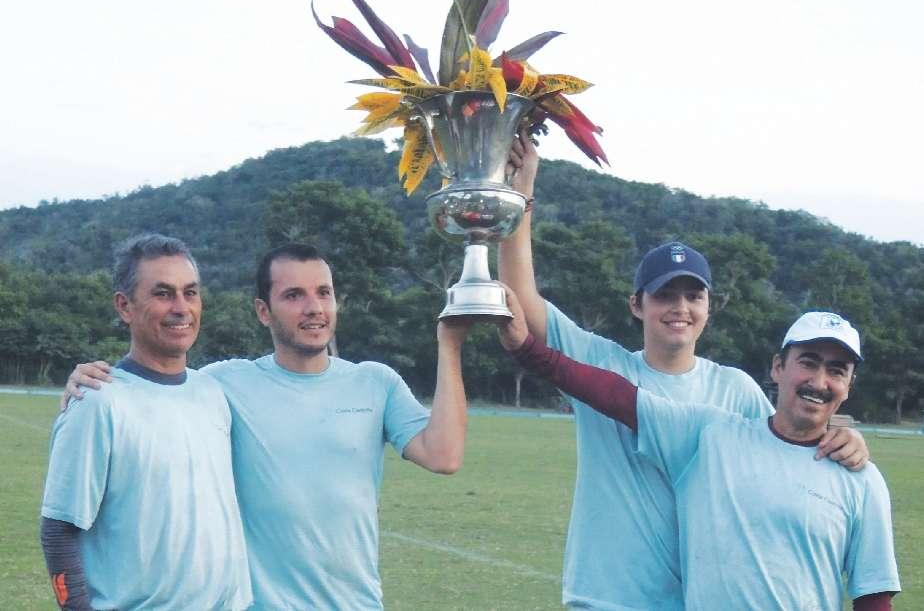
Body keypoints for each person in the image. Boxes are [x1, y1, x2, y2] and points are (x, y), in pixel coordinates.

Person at [499, 134, 871, 609]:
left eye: (694, 296)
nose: (680, 308)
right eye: (665, 295)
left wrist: (846, 440)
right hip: (606, 598)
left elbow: (789, 446)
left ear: (709, 307)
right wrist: (521, 196)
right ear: (637, 304)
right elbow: (521, 302)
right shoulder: (600, 362)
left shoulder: (735, 391)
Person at [64, 242, 471, 610]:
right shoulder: (222, 385)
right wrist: (92, 379)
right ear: (263, 311)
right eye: (294, 295)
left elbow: (444, 455)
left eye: (323, 292)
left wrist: (449, 346)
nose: (313, 307)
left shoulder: (376, 382)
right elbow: (157, 380)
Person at [499, 290, 901, 609]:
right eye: (808, 362)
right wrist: (525, 348)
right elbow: (614, 394)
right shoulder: (710, 436)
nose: (819, 381)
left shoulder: (862, 480)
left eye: (836, 371)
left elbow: (873, 595)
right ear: (778, 367)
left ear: (849, 386)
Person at [40, 234, 252, 610]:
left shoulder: (211, 391)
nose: (181, 308)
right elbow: (59, 530)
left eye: (190, 293)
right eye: (163, 293)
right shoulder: (97, 401)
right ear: (125, 306)